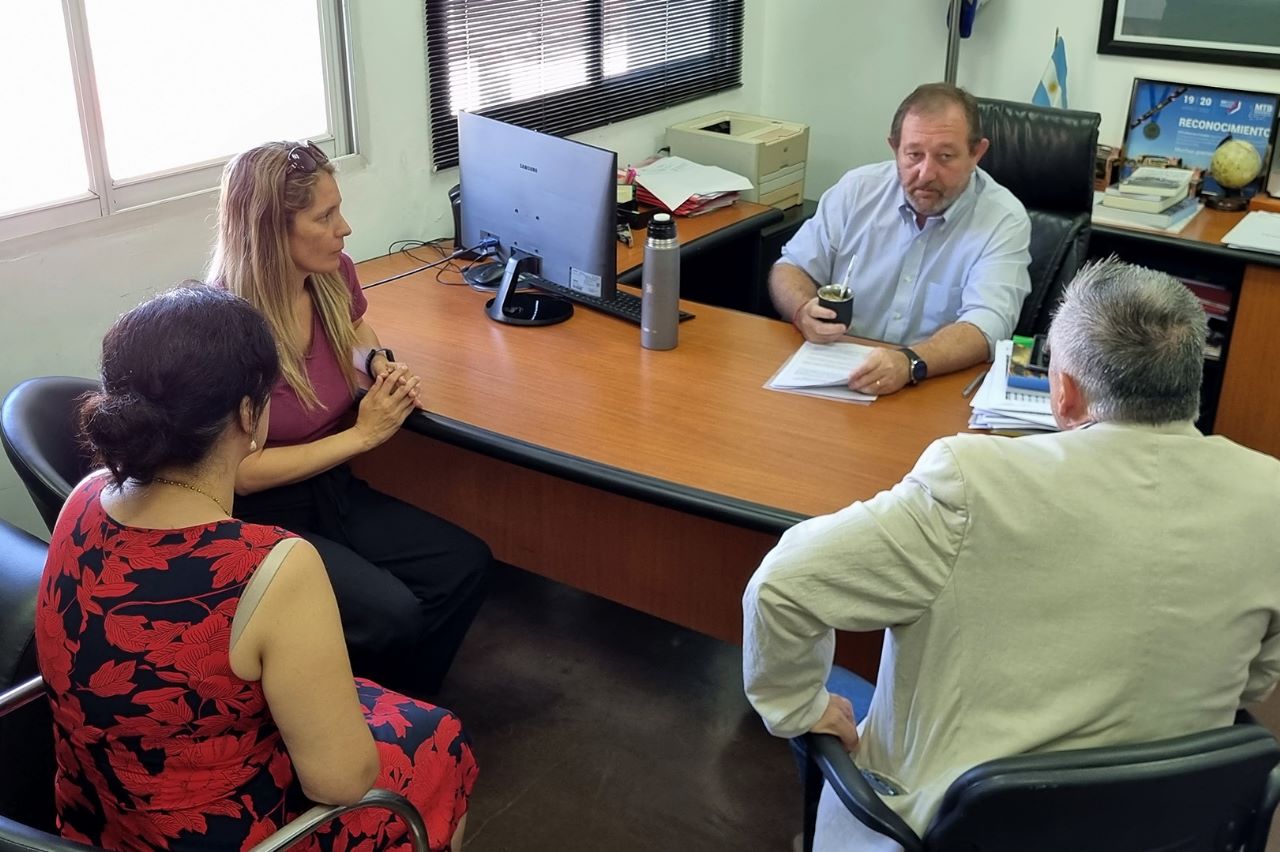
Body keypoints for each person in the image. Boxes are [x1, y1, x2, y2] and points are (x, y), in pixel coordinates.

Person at [743, 258, 1280, 851]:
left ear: (1065, 393)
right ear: (1191, 385)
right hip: (1167, 826)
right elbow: (1253, 682)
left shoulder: (974, 481)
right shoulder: (1271, 496)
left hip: (960, 828)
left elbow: (782, 586)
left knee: (840, 697)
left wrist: (800, 708)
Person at [36, 286, 477, 851]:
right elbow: (341, 783)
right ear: (250, 412)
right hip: (232, 835)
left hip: (98, 818)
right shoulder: (270, 566)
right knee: (441, 738)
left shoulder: (85, 495)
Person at [209, 140, 491, 697]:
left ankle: (394, 707)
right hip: (259, 515)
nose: (346, 229)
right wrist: (363, 436)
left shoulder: (331, 274)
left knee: (465, 564)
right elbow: (239, 473)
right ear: (271, 232)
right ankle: (342, 722)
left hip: (329, 488)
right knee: (392, 616)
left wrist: (375, 364)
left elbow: (357, 332)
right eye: (325, 216)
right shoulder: (229, 328)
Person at [770, 82, 1031, 397]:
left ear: (977, 153)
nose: (925, 173)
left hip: (930, 385)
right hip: (834, 375)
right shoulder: (857, 190)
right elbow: (790, 267)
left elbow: (987, 325)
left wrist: (909, 362)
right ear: (895, 147)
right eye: (913, 155)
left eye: (945, 156)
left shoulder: (1003, 219)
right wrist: (801, 310)